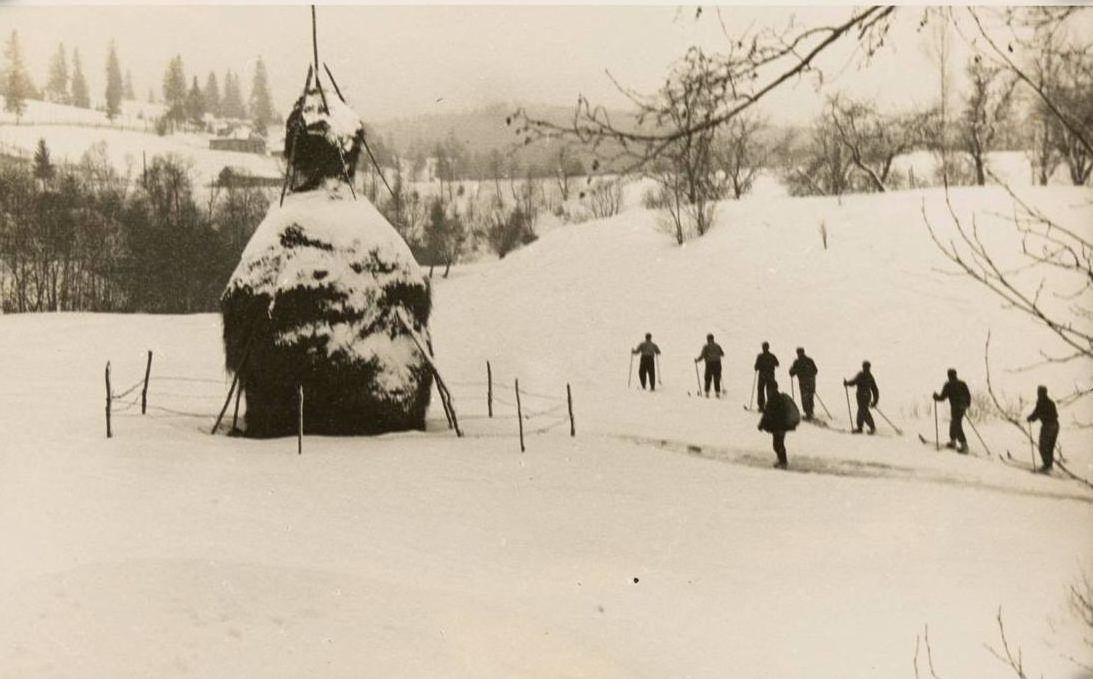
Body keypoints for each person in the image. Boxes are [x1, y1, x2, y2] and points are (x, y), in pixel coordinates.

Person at [932, 368, 971, 453]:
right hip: (962, 408)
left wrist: (935, 397)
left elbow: (942, 398)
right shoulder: (962, 383)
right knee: (954, 423)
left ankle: (964, 446)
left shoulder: (948, 385)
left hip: (955, 408)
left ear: (949, 375)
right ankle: (953, 442)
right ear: (956, 374)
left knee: (956, 425)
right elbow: (968, 395)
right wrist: (966, 405)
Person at [758, 379, 792, 468]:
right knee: (779, 443)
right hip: (782, 426)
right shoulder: (778, 398)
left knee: (777, 444)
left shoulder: (773, 400)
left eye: (768, 389)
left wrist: (761, 425)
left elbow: (767, 414)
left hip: (778, 426)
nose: (767, 391)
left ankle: (783, 461)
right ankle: (781, 460)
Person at [1026, 385, 1059, 473]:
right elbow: (1055, 415)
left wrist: (1030, 418)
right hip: (1055, 425)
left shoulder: (1041, 402)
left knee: (1043, 446)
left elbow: (1036, 414)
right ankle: (1049, 465)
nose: (1038, 394)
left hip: (1048, 426)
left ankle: (1047, 466)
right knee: (1050, 446)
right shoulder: (1050, 402)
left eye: (1039, 392)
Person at [843, 361, 879, 434]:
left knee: (864, 411)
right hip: (864, 396)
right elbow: (875, 389)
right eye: (865, 367)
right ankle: (860, 427)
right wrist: (875, 400)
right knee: (861, 411)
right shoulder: (869, 376)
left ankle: (872, 427)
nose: (865, 368)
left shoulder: (862, 375)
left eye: (866, 367)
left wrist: (847, 383)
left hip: (863, 396)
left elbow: (854, 382)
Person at [788, 347, 818, 420]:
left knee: (805, 396)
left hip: (804, 381)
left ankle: (808, 413)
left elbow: (792, 373)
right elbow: (815, 370)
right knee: (810, 396)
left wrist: (791, 370)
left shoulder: (797, 362)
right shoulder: (809, 360)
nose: (799, 354)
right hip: (811, 381)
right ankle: (810, 411)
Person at [694, 333, 725, 398]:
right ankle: (717, 393)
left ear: (708, 339)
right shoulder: (717, 346)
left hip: (709, 364)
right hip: (717, 363)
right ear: (713, 339)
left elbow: (702, 356)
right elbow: (722, 354)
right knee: (717, 378)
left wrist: (697, 360)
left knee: (708, 378)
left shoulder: (706, 347)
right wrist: (716, 354)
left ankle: (707, 393)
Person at [753, 342, 780, 411]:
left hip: (762, 376)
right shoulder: (772, 356)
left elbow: (756, 367)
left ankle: (761, 406)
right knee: (770, 390)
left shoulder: (760, 356)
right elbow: (777, 364)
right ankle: (770, 406)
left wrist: (758, 367)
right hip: (770, 375)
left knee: (761, 390)